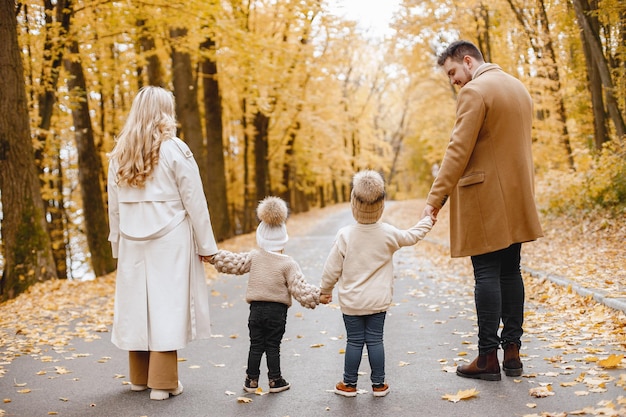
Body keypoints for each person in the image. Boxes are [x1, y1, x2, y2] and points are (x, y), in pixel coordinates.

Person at [421, 40, 543, 381]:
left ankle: (487, 357)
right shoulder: (518, 87)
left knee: (487, 273)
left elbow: (458, 149)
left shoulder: (475, 92)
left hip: (485, 196)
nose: (453, 81)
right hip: (518, 194)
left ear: (468, 60)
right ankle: (513, 353)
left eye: (453, 72)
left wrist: (435, 199)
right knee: (511, 272)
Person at [107, 86, 218, 400]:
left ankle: (139, 378)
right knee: (166, 305)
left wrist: (117, 242)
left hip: (131, 239)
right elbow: (195, 201)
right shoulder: (175, 149)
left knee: (137, 306)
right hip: (170, 237)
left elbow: (113, 206)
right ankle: (163, 383)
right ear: (164, 112)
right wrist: (207, 246)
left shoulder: (119, 154)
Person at [319, 170, 433, 397]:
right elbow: (412, 236)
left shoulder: (345, 235)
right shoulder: (388, 233)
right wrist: (428, 219)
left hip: (352, 302)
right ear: (382, 205)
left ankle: (349, 384)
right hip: (378, 301)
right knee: (375, 340)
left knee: (354, 341)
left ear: (353, 203)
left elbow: (331, 268)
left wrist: (325, 291)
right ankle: (379, 385)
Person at [209, 196, 326, 394]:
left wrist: (213, 257)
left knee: (255, 345)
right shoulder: (288, 263)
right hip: (276, 312)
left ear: (260, 237)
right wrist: (319, 296)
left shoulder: (254, 257)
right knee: (273, 346)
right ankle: (275, 380)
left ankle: (251, 380)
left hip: (256, 310)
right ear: (284, 239)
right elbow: (300, 289)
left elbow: (234, 262)